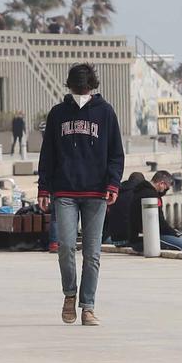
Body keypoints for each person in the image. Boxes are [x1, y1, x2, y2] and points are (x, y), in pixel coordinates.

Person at [37, 63, 123, 325]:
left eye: (84, 85)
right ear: (70, 85)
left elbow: (116, 154)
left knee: (93, 253)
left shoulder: (106, 113)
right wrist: (43, 187)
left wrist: (113, 184)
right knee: (65, 245)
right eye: (78, 85)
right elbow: (48, 154)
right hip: (64, 190)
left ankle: (88, 306)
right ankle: (69, 294)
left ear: (92, 85)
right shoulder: (58, 114)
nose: (81, 89)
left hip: (96, 192)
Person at [112, 169, 182, 251]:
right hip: (141, 239)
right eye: (167, 188)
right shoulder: (151, 196)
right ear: (161, 183)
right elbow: (159, 222)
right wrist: (173, 233)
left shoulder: (138, 192)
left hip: (131, 238)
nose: (166, 191)